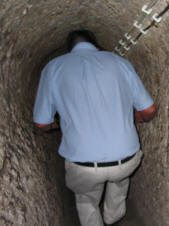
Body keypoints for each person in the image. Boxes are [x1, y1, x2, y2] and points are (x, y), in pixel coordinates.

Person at [33, 30, 156, 226]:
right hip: (125, 159)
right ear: (98, 47)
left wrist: (57, 125)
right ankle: (113, 219)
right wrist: (136, 118)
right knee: (118, 186)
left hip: (84, 166)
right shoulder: (119, 62)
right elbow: (149, 109)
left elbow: (41, 123)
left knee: (87, 200)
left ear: (68, 51)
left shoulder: (53, 68)